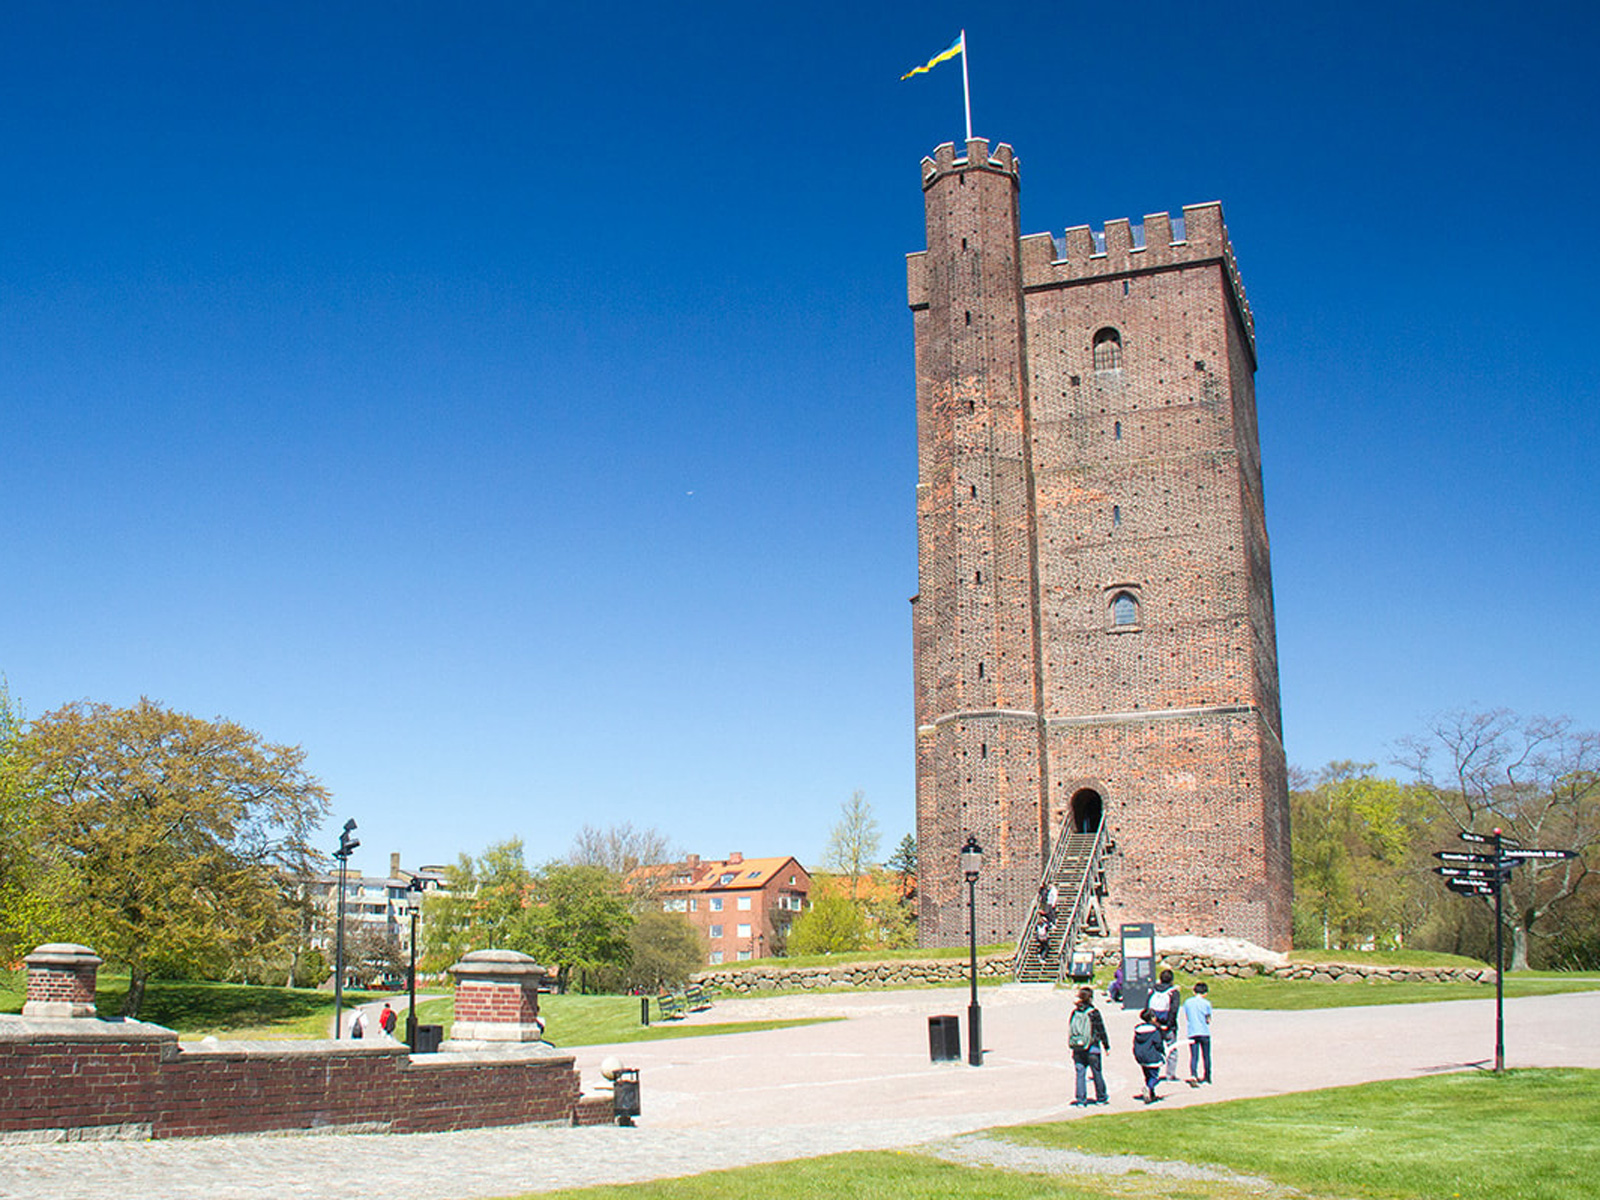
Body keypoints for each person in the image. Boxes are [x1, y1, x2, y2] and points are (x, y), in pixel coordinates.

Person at [1067, 986, 1110, 1106]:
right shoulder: (1093, 1012)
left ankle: (1081, 1099)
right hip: (1092, 1046)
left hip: (1078, 1047)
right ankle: (1101, 1097)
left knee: (1080, 1074)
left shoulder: (1075, 1012)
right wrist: (1106, 1046)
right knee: (1097, 1072)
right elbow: (1101, 1030)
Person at [1148, 968, 1181, 1079]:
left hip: (1154, 1025)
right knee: (1172, 1048)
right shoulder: (1173, 992)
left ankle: (1153, 1073)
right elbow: (1174, 1010)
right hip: (1168, 1025)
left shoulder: (1153, 990)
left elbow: (1147, 1007)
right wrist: (1169, 1024)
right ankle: (1170, 1074)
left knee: (1154, 1048)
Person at [1182, 981, 1213, 1084]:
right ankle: (1207, 1076)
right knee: (1206, 1055)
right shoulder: (1206, 1003)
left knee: (1194, 1055)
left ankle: (1193, 1074)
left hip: (1192, 1031)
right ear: (1205, 993)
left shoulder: (1188, 1002)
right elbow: (1208, 1018)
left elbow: (1187, 1016)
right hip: (1204, 1032)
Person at [1131, 1008, 1164, 1103]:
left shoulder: (1138, 1031)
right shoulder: (1154, 1031)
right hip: (1152, 1056)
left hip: (1141, 1056)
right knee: (1154, 1076)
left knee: (1147, 1075)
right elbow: (1158, 1044)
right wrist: (1162, 1052)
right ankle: (1148, 1088)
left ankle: (1151, 1094)